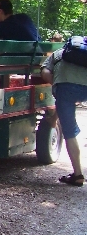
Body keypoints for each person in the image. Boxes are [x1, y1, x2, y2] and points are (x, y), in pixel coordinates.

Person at [40, 46, 87, 186]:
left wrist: (57, 86)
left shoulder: (57, 54)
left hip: (66, 87)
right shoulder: (83, 52)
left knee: (69, 132)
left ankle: (78, 175)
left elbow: (45, 71)